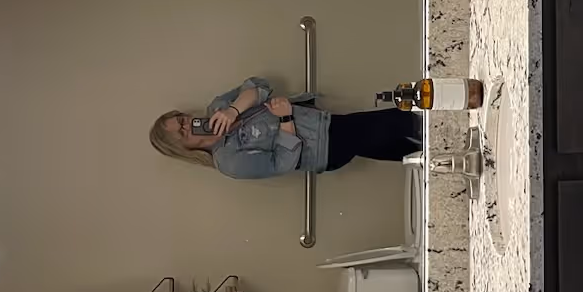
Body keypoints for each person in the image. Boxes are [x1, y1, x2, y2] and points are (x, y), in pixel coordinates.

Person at [149, 76, 422, 180]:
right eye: (182, 132)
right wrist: (285, 119)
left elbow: (258, 85)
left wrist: (233, 110)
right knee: (404, 121)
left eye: (182, 119)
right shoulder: (228, 161)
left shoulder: (218, 107)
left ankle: (432, 156)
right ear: (183, 148)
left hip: (325, 123)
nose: (188, 124)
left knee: (399, 147)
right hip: (325, 149)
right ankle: (442, 124)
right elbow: (281, 164)